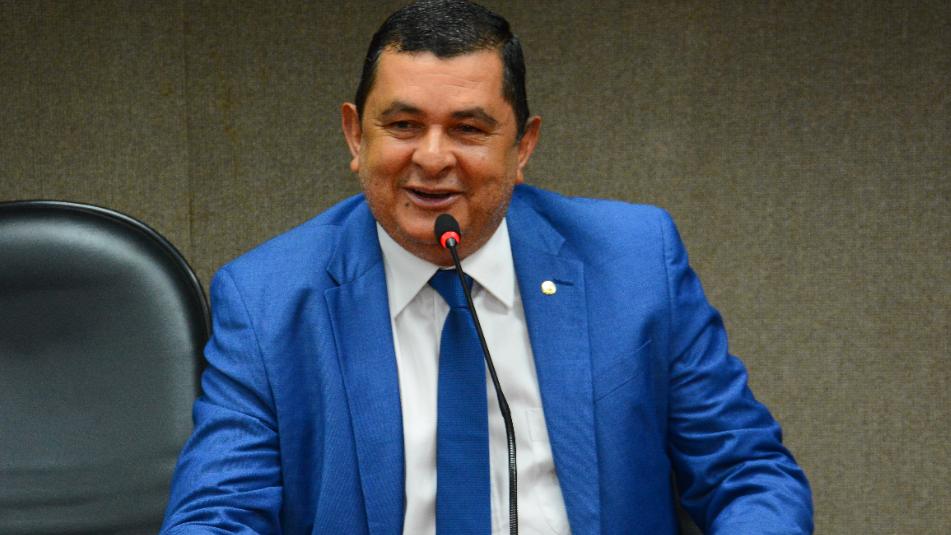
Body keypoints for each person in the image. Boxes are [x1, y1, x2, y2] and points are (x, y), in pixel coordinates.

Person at [161, 1, 813, 533]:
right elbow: (218, 512)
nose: (432, 158)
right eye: (403, 125)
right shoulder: (268, 299)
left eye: (468, 130)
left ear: (522, 146)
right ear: (356, 136)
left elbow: (747, 474)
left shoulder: (635, 262)